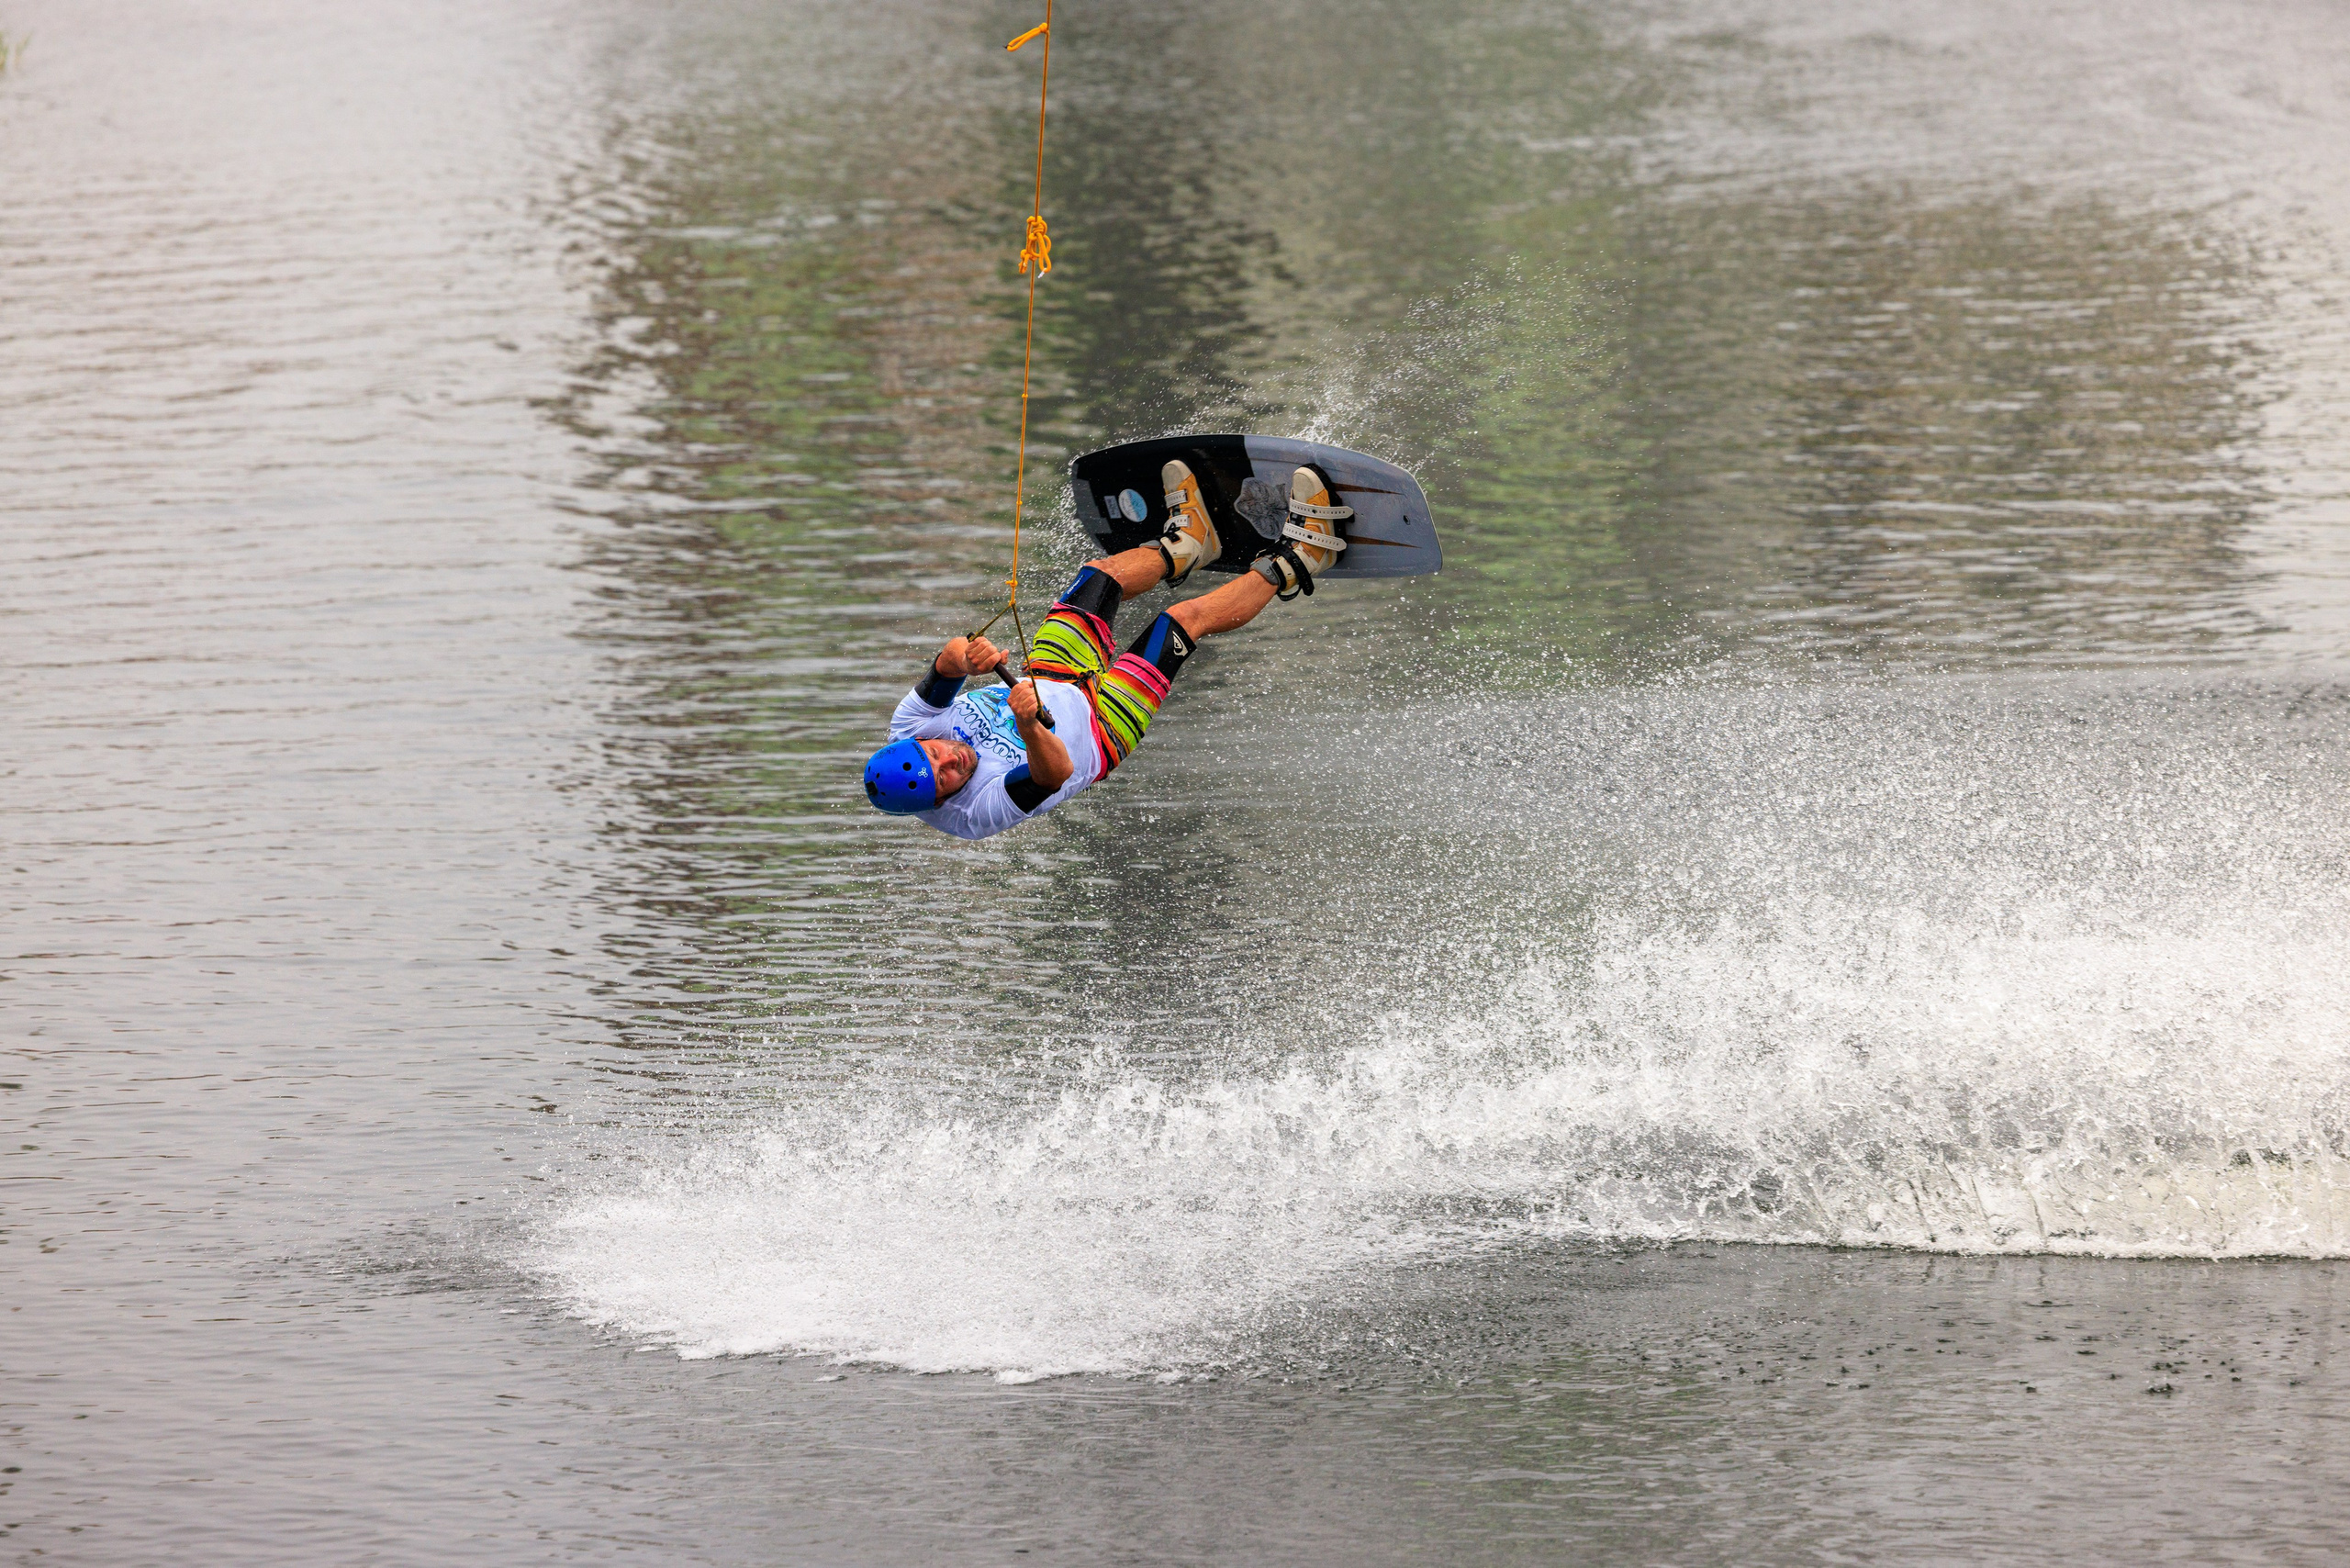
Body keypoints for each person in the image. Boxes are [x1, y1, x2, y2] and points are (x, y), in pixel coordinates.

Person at [862, 459, 1349, 839]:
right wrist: (1030, 725)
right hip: (1099, 732)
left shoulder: (908, 727)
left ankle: (1191, 543)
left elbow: (948, 659)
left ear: (916, 742)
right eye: (947, 778)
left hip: (1051, 677)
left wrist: (968, 659)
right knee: (1180, 622)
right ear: (940, 801)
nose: (953, 759)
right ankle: (1304, 557)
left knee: (1098, 579)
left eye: (936, 753)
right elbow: (1055, 774)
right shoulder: (971, 815)